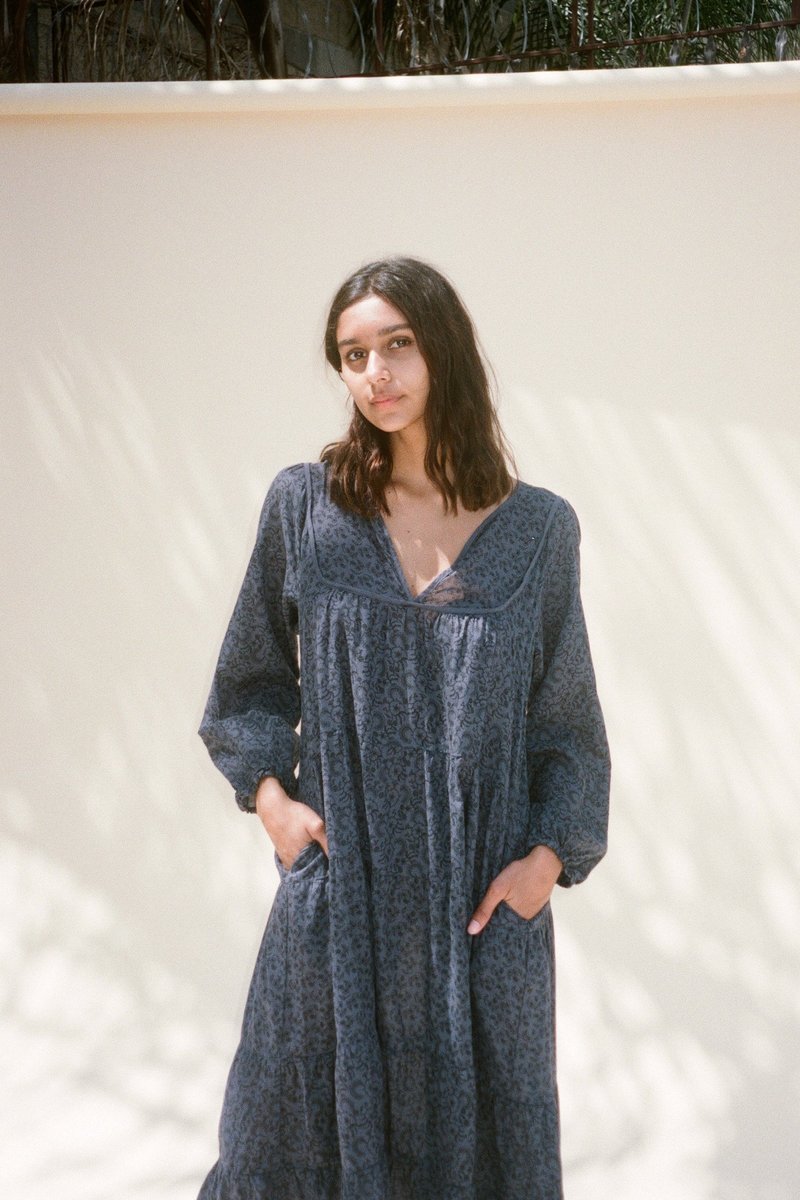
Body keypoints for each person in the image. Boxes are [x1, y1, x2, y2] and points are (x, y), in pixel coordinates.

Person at [196, 256, 611, 1200]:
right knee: (286, 1142)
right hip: (341, 901)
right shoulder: (306, 508)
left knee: (483, 1158)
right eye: (353, 355)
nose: (375, 373)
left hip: (479, 916)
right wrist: (274, 805)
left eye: (397, 345)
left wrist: (545, 863)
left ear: (443, 350)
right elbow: (248, 680)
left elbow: (568, 727)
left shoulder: (539, 531)